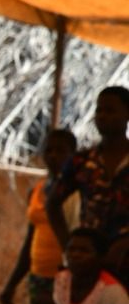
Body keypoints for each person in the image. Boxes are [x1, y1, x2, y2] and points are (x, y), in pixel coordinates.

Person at [0, 129, 77, 304]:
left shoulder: (77, 193)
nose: (53, 156)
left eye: (60, 151)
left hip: (66, 277)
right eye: (49, 150)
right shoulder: (37, 191)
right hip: (38, 277)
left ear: (73, 155)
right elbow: (30, 241)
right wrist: (12, 283)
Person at [47, 86, 129, 249]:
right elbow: (53, 204)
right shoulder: (82, 161)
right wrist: (68, 246)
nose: (102, 116)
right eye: (99, 110)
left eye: (110, 110)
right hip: (90, 258)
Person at [52, 228, 129, 304]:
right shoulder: (62, 280)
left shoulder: (112, 291)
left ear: (101, 257)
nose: (75, 255)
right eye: (71, 249)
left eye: (84, 251)